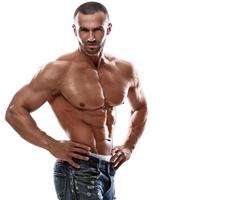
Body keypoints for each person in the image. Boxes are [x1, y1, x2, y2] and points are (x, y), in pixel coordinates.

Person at [5, 1, 148, 200]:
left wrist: (128, 146)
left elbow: (140, 107)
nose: (90, 37)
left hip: (109, 170)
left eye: (97, 30)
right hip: (77, 170)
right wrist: (51, 144)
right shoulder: (58, 70)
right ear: (75, 30)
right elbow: (14, 110)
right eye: (84, 30)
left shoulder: (125, 70)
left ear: (109, 28)